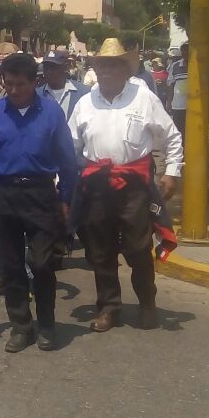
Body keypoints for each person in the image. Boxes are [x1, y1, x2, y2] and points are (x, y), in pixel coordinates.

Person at [68, 41, 183, 333]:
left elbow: (171, 136)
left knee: (138, 249)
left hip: (134, 187)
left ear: (125, 69)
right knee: (101, 251)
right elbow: (72, 146)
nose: (105, 71)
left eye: (112, 65)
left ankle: (147, 303)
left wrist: (172, 172)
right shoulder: (84, 103)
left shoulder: (143, 98)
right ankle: (109, 307)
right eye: (101, 65)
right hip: (97, 187)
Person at [0, 53, 77, 352]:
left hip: (41, 195)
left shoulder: (51, 113)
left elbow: (67, 160)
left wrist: (66, 198)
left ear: (34, 82)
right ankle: (21, 327)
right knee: (11, 264)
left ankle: (47, 324)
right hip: (5, 194)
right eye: (8, 83)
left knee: (42, 263)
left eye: (20, 85)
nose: (13, 90)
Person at [167, 44, 189, 132]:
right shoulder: (175, 66)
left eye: (187, 51)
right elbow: (170, 85)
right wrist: (169, 102)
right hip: (178, 105)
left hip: (193, 106)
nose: (185, 53)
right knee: (178, 131)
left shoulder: (197, 66)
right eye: (183, 51)